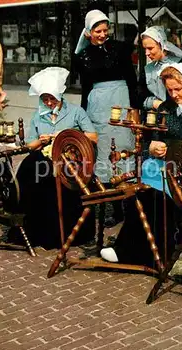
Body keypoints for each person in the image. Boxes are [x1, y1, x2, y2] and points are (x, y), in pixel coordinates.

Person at [100, 63, 182, 266]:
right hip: (162, 164)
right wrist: (153, 148)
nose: (174, 94)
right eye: (169, 90)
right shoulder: (166, 109)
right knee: (139, 192)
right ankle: (126, 248)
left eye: (179, 89)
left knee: (159, 197)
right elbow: (152, 141)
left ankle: (154, 253)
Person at [17, 67, 98, 249]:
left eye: (52, 98)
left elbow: (93, 137)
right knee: (29, 170)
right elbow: (29, 145)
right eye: (45, 99)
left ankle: (67, 234)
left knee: (54, 179)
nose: (49, 103)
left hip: (71, 158)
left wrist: (67, 134)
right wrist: (40, 140)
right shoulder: (39, 115)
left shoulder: (76, 111)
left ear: (60, 96)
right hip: (47, 156)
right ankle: (36, 231)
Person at [74, 10, 138, 241]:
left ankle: (129, 205)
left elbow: (132, 80)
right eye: (97, 31)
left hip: (121, 103)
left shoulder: (121, 48)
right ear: (89, 32)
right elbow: (85, 89)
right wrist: (82, 117)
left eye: (105, 30)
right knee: (103, 154)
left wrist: (135, 110)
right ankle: (113, 206)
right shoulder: (82, 57)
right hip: (97, 107)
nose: (102, 35)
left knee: (124, 152)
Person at [138, 26, 182, 112]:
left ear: (162, 45)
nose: (146, 53)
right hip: (151, 119)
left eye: (150, 48)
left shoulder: (179, 64)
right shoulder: (147, 69)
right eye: (145, 49)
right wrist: (154, 103)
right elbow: (139, 97)